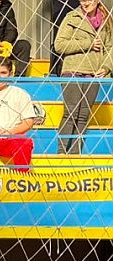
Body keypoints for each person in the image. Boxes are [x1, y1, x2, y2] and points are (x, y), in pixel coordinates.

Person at [55, 0, 113, 154]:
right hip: (73, 70)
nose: (85, 3)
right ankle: (61, 152)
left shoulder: (107, 20)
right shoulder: (71, 17)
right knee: (71, 113)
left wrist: (106, 67)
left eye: (88, 0)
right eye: (82, 0)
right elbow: (59, 45)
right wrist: (89, 43)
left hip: (94, 72)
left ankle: (75, 153)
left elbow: (110, 48)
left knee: (83, 116)